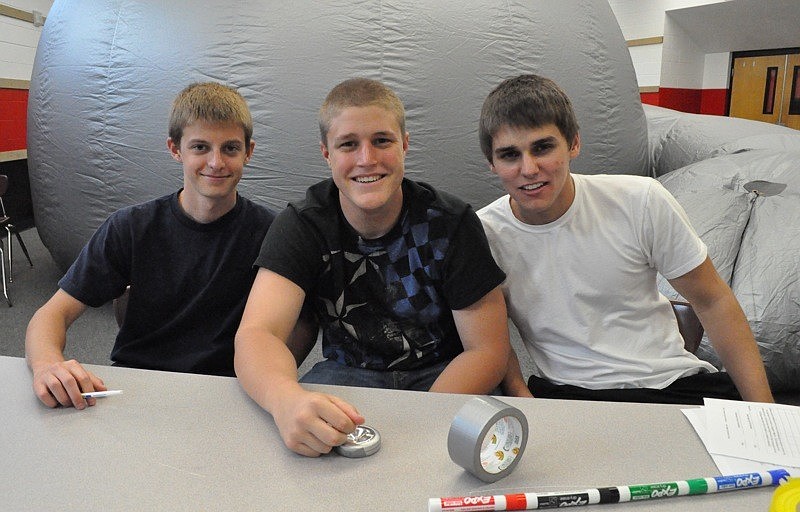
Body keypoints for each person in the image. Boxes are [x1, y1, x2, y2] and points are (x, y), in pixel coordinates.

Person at [234, 78, 511, 457]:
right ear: (326, 153)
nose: (367, 159)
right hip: (347, 375)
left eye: (382, 140)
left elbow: (487, 351)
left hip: (444, 373)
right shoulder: (302, 224)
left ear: (405, 145)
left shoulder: (451, 222)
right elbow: (257, 334)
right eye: (348, 144)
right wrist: (286, 400)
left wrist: (419, 421)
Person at [476, 74, 774, 404]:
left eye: (543, 147)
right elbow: (490, 342)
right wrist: (522, 398)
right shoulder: (483, 235)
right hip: (570, 396)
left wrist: (764, 411)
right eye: (509, 155)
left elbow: (714, 301)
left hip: (671, 383)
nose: (529, 168)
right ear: (491, 162)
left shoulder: (640, 200)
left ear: (574, 143)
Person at [26, 82, 276, 409]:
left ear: (249, 151)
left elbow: (299, 327)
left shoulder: (272, 233)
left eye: (230, 148)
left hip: (230, 394)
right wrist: (47, 364)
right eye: (200, 147)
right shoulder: (130, 227)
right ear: (175, 149)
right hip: (136, 386)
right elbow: (51, 314)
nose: (216, 162)